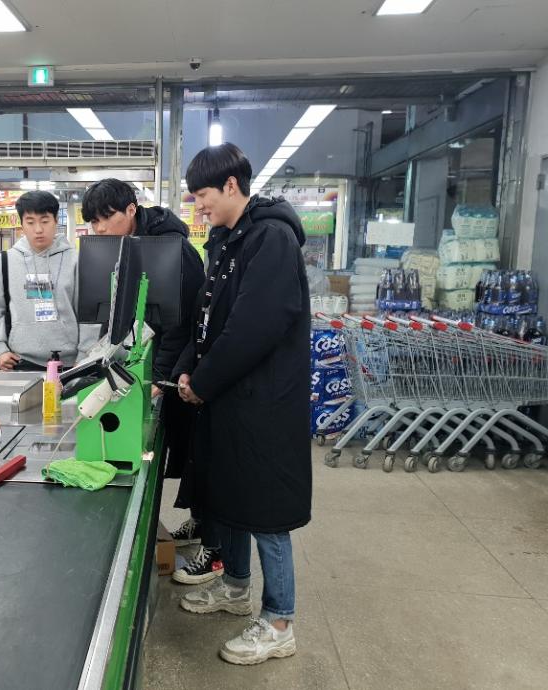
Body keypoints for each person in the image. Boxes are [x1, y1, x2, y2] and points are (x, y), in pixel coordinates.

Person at [173, 143, 311, 666]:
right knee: (230, 497)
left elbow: (253, 328)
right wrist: (188, 368)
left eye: (202, 195)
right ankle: (234, 586)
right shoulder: (229, 240)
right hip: (231, 396)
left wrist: (203, 382)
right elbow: (207, 318)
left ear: (231, 185)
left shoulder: (271, 238)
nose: (198, 205)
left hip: (264, 401)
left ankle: (279, 622)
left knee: (266, 512)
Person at [80, 179, 215, 584]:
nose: (100, 228)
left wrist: (161, 375)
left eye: (106, 218)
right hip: (147, 364)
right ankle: (200, 521)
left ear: (131, 209)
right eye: (93, 221)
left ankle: (214, 541)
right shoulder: (119, 249)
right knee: (178, 450)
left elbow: (184, 322)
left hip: (181, 371)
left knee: (197, 453)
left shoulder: (173, 250)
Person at [0, 190, 92, 371]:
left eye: (45, 221)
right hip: (20, 361)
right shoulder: (5, 262)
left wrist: (84, 355)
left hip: (70, 363)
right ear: (21, 224)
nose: (38, 229)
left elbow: (88, 313)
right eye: (30, 222)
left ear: (56, 220)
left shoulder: (77, 261)